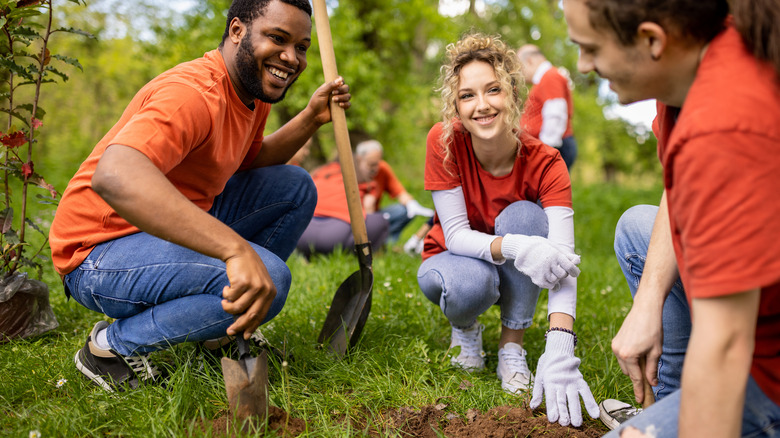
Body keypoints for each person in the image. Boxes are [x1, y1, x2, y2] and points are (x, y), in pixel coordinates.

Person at [48, 0, 352, 392]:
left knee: (294, 186)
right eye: (278, 38)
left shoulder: (249, 89)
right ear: (238, 31)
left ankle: (218, 333)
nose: (291, 58)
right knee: (270, 278)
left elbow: (248, 158)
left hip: (159, 231)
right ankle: (109, 348)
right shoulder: (191, 94)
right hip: (98, 252)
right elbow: (114, 175)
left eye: (302, 46)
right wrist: (235, 251)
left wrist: (311, 118)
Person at [562, 0, 780, 436]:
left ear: (651, 41)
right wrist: (648, 299)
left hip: (765, 369)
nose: (583, 66)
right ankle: (670, 403)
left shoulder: (721, 129)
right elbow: (678, 192)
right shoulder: (694, 67)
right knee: (637, 228)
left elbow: (726, 346)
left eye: (591, 49)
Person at [416, 32, 598, 428]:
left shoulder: (547, 162)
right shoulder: (443, 142)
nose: (482, 105)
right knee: (472, 283)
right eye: (467, 95)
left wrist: (561, 344)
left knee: (529, 219)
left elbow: (563, 261)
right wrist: (520, 248)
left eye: (493, 90)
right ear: (456, 106)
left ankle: (512, 346)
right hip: (454, 257)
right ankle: (465, 328)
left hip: (507, 254)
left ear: (512, 94)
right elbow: (457, 234)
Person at [354, 139, 434, 242]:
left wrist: (412, 204)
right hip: (353, 221)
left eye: (377, 163)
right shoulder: (349, 174)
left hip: (376, 214)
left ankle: (387, 243)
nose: (375, 168)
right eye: (371, 164)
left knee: (405, 211)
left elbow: (400, 192)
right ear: (359, 159)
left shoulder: (382, 169)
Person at [517, 44, 578, 170]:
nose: (521, 74)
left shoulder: (550, 76)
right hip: (551, 147)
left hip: (554, 147)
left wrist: (544, 152)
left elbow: (555, 114)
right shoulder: (545, 79)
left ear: (530, 61)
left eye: (521, 69)